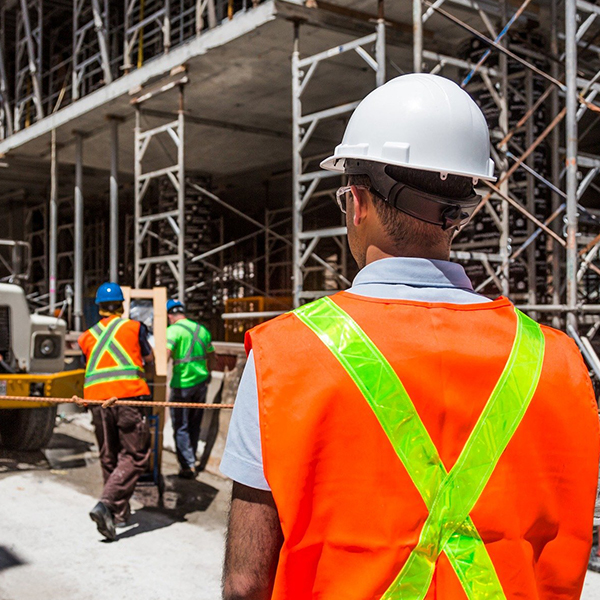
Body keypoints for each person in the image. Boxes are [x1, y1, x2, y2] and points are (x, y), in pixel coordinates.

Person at [220, 74, 600, 599]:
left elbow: (245, 584)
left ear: (356, 202)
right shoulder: (556, 361)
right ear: (462, 214)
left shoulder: (284, 356)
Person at [79, 282, 154, 541]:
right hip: (127, 398)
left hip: (97, 403)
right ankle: (107, 504)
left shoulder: (86, 336)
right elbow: (149, 357)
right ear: (122, 306)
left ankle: (118, 515)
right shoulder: (134, 328)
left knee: (109, 456)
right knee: (136, 456)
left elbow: (88, 366)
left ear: (99, 307)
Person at [166, 299, 216, 479]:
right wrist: (207, 373)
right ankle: (191, 459)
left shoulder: (173, 331)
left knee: (181, 426)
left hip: (182, 385)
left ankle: (187, 466)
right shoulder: (201, 330)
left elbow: (165, 353)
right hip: (200, 384)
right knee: (195, 424)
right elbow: (212, 356)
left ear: (170, 316)